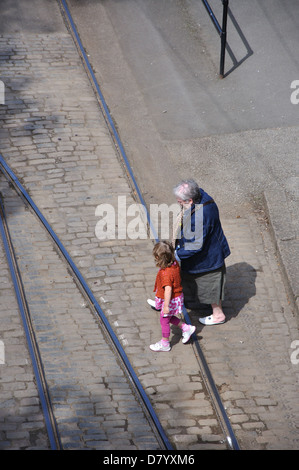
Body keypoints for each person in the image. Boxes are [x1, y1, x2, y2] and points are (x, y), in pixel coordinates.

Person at [173, 179, 230, 326]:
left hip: (208, 260)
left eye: (180, 201)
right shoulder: (201, 196)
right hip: (209, 252)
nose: (179, 203)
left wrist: (177, 254)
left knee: (210, 287)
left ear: (190, 200)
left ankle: (218, 315)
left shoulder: (200, 217)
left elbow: (194, 245)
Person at [147, 241, 196, 352]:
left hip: (170, 300)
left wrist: (166, 306)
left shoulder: (166, 273)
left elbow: (168, 290)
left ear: (158, 258)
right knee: (168, 317)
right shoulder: (174, 264)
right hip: (177, 297)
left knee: (164, 320)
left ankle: (165, 343)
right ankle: (185, 328)